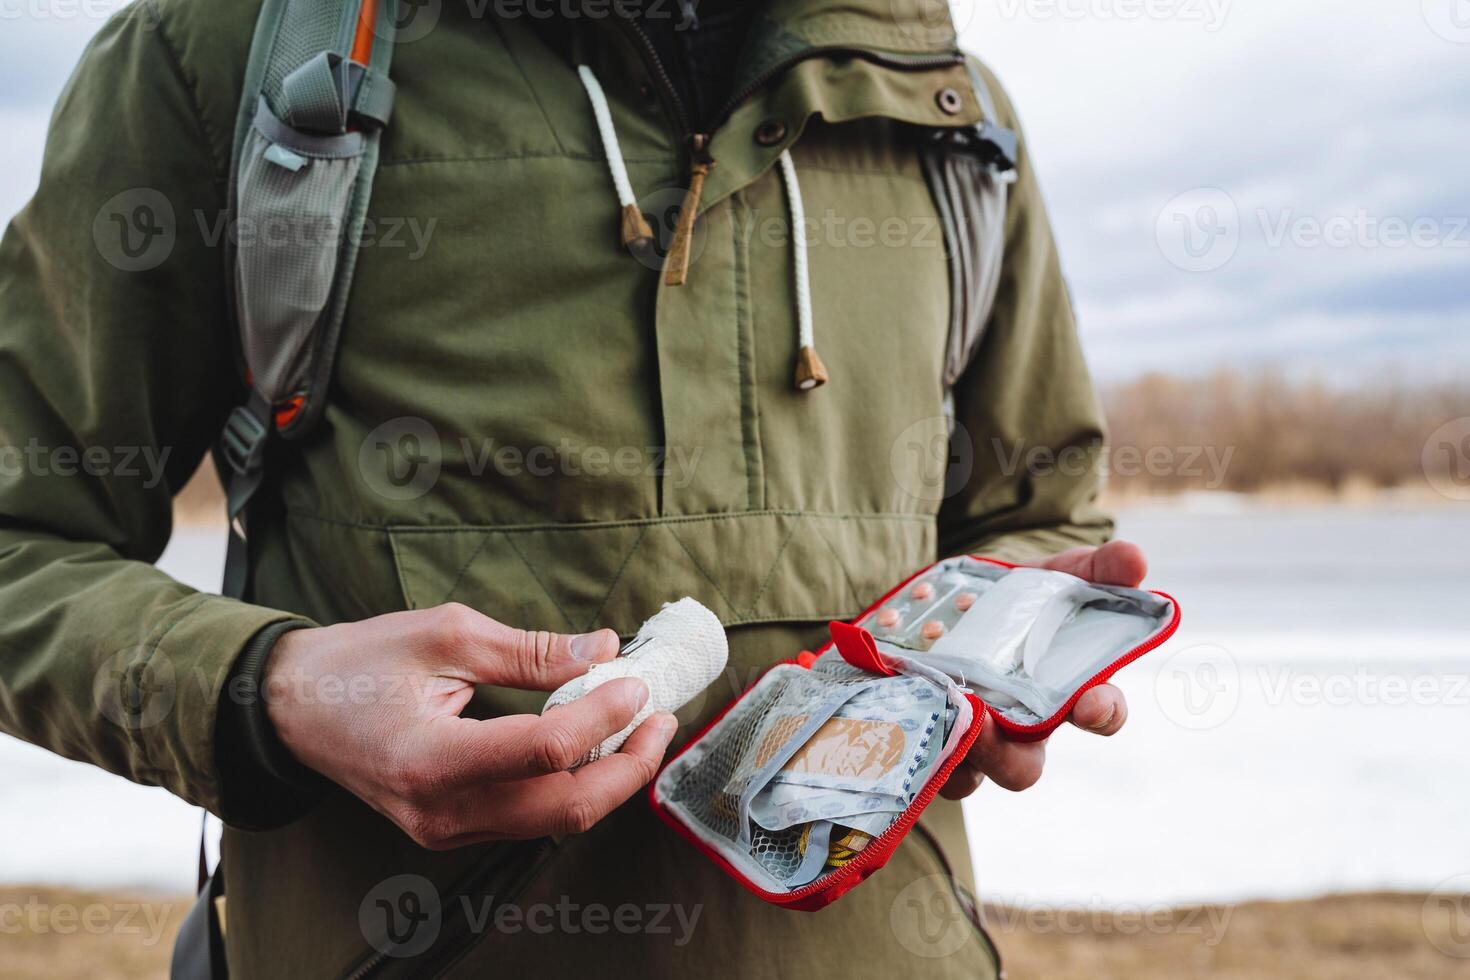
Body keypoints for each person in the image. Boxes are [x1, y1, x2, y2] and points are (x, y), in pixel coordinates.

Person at [0, 0, 1147, 976]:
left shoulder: (947, 108)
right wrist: (273, 690)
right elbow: (21, 542)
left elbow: (1035, 506)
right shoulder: (226, 55)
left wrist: (1015, 646)